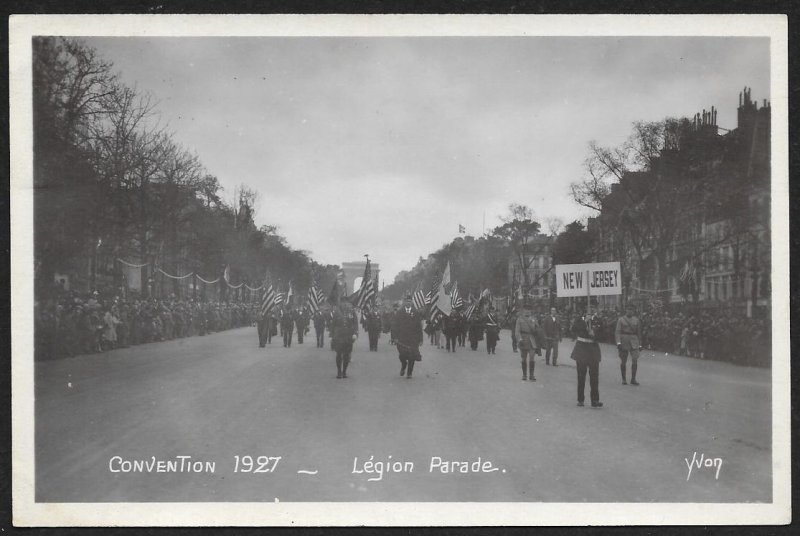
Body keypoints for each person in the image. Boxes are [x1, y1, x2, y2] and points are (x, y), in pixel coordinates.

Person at [570, 307, 602, 408]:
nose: (591, 310)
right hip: (581, 350)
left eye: (593, 308)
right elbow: (573, 329)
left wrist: (595, 334)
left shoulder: (598, 320)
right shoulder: (580, 320)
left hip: (593, 350)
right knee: (581, 376)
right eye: (589, 308)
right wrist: (585, 322)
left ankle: (595, 400)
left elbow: (604, 335)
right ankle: (580, 399)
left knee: (594, 377)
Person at [392, 294, 423, 378]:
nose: (408, 303)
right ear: (404, 302)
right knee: (402, 355)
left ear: (412, 302)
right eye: (407, 301)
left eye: (410, 301)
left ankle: (409, 373)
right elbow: (394, 325)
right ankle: (404, 364)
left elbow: (419, 327)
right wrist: (394, 337)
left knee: (412, 356)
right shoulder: (399, 312)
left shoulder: (415, 313)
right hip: (402, 338)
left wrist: (420, 339)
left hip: (413, 338)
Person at [330, 300, 359, 378]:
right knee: (338, 354)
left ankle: (344, 371)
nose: (345, 304)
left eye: (346, 303)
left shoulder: (352, 312)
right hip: (338, 337)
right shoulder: (336, 312)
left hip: (348, 337)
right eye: (343, 303)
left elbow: (355, 324)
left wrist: (355, 333)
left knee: (346, 355)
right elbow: (333, 324)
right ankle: (339, 371)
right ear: (341, 304)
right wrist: (332, 336)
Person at [615, 304, 642, 385]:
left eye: (631, 309)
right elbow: (617, 332)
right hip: (624, 340)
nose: (630, 311)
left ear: (633, 311)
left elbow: (639, 333)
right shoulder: (621, 320)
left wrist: (640, 344)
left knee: (635, 359)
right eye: (628, 309)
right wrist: (618, 342)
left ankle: (633, 379)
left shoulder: (636, 320)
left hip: (634, 340)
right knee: (623, 360)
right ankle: (624, 379)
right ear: (626, 310)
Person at [514, 306, 539, 381]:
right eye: (526, 310)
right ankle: (524, 375)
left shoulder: (533, 319)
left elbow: (537, 329)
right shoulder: (519, 319)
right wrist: (519, 339)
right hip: (523, 339)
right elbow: (517, 331)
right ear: (523, 311)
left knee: (532, 357)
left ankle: (531, 375)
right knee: (524, 358)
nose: (527, 312)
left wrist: (535, 324)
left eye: (529, 310)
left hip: (531, 339)